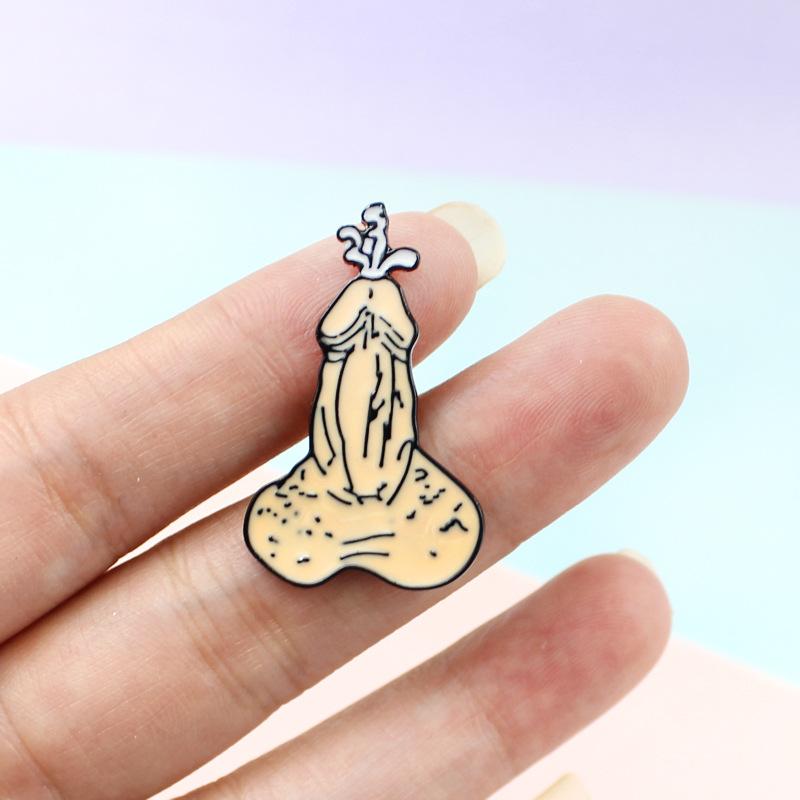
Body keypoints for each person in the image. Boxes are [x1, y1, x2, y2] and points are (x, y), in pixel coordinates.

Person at [0, 203, 688, 799]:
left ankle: (372, 501)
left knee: (377, 433)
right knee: (354, 434)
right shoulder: (352, 338)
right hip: (339, 467)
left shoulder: (379, 340)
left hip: (382, 466)